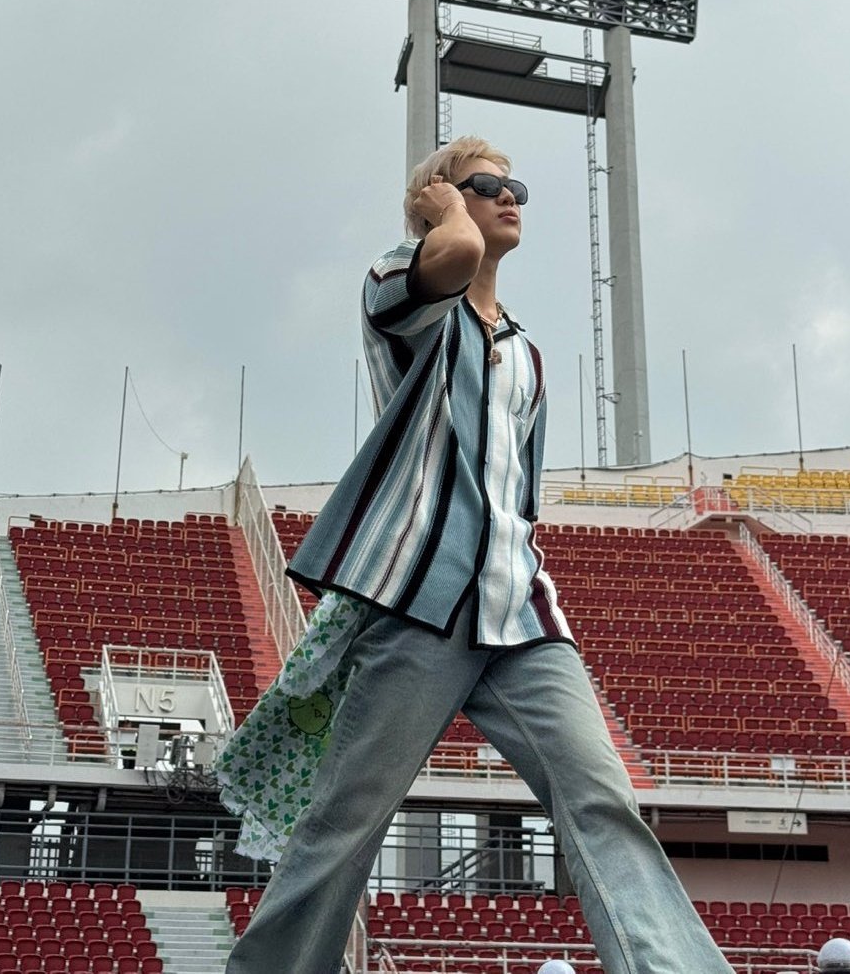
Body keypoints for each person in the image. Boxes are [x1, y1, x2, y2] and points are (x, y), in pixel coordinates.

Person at [220, 136, 735, 974]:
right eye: (486, 184)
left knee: (601, 797)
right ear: (438, 202)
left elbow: (519, 499)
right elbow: (455, 253)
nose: (508, 197)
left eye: (515, 185)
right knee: (347, 821)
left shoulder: (528, 354)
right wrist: (440, 214)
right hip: (419, 602)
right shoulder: (402, 291)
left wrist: (454, 197)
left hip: (522, 610)